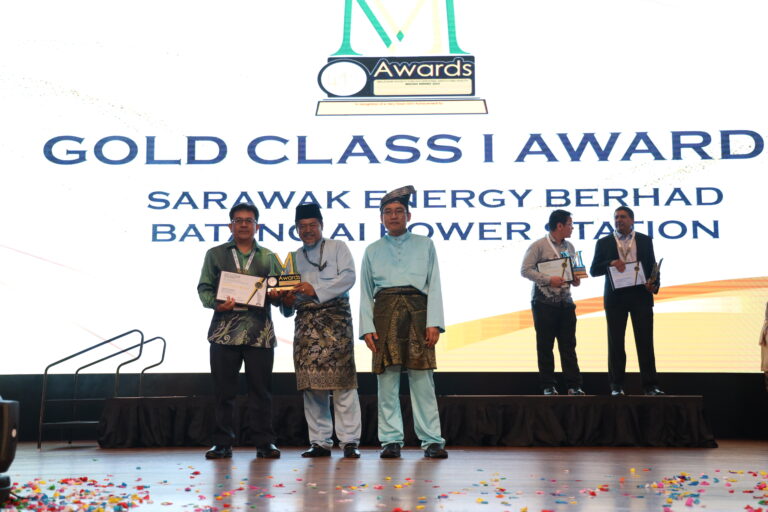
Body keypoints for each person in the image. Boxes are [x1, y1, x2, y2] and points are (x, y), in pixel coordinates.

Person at [359, 185, 448, 459]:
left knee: (422, 380)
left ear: (409, 216)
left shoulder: (425, 244)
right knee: (387, 380)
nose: (393, 216)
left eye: (399, 211)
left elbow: (435, 284)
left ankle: (432, 441)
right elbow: (365, 292)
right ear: (381, 218)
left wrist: (434, 322)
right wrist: (367, 328)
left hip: (418, 314)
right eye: (388, 212)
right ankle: (390, 441)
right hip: (384, 313)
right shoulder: (372, 250)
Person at [275, 203, 362, 459]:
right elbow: (286, 301)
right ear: (296, 229)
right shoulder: (292, 258)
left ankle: (349, 441)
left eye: (312, 225)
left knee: (343, 383)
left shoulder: (338, 247)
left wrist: (316, 290)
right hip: (306, 325)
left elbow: (349, 277)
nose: (308, 230)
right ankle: (320, 442)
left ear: (321, 225)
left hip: (336, 323)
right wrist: (286, 302)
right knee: (312, 386)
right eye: (302, 226)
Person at [197, 203, 283, 459]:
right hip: (224, 332)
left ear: (257, 226)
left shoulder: (270, 257)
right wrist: (217, 304)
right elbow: (204, 288)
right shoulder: (215, 254)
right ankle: (222, 443)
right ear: (230, 225)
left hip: (260, 334)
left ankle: (265, 443)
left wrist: (278, 296)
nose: (244, 224)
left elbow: (280, 293)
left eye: (249, 220)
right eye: (238, 220)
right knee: (223, 393)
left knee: (261, 393)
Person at [590, 206, 664, 396]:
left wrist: (654, 284)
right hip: (616, 298)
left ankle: (651, 386)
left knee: (645, 342)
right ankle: (616, 386)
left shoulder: (645, 240)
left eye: (623, 217)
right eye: (616, 217)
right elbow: (594, 270)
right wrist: (610, 263)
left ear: (632, 220)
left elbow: (653, 266)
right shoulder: (604, 242)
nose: (619, 220)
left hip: (641, 296)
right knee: (616, 343)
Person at [521, 209, 585, 396]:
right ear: (559, 226)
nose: (572, 228)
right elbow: (525, 270)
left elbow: (571, 270)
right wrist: (549, 279)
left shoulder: (570, 247)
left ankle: (574, 385)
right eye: (570, 224)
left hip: (566, 303)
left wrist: (575, 278)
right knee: (545, 346)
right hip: (544, 303)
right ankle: (548, 385)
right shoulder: (538, 246)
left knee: (569, 346)